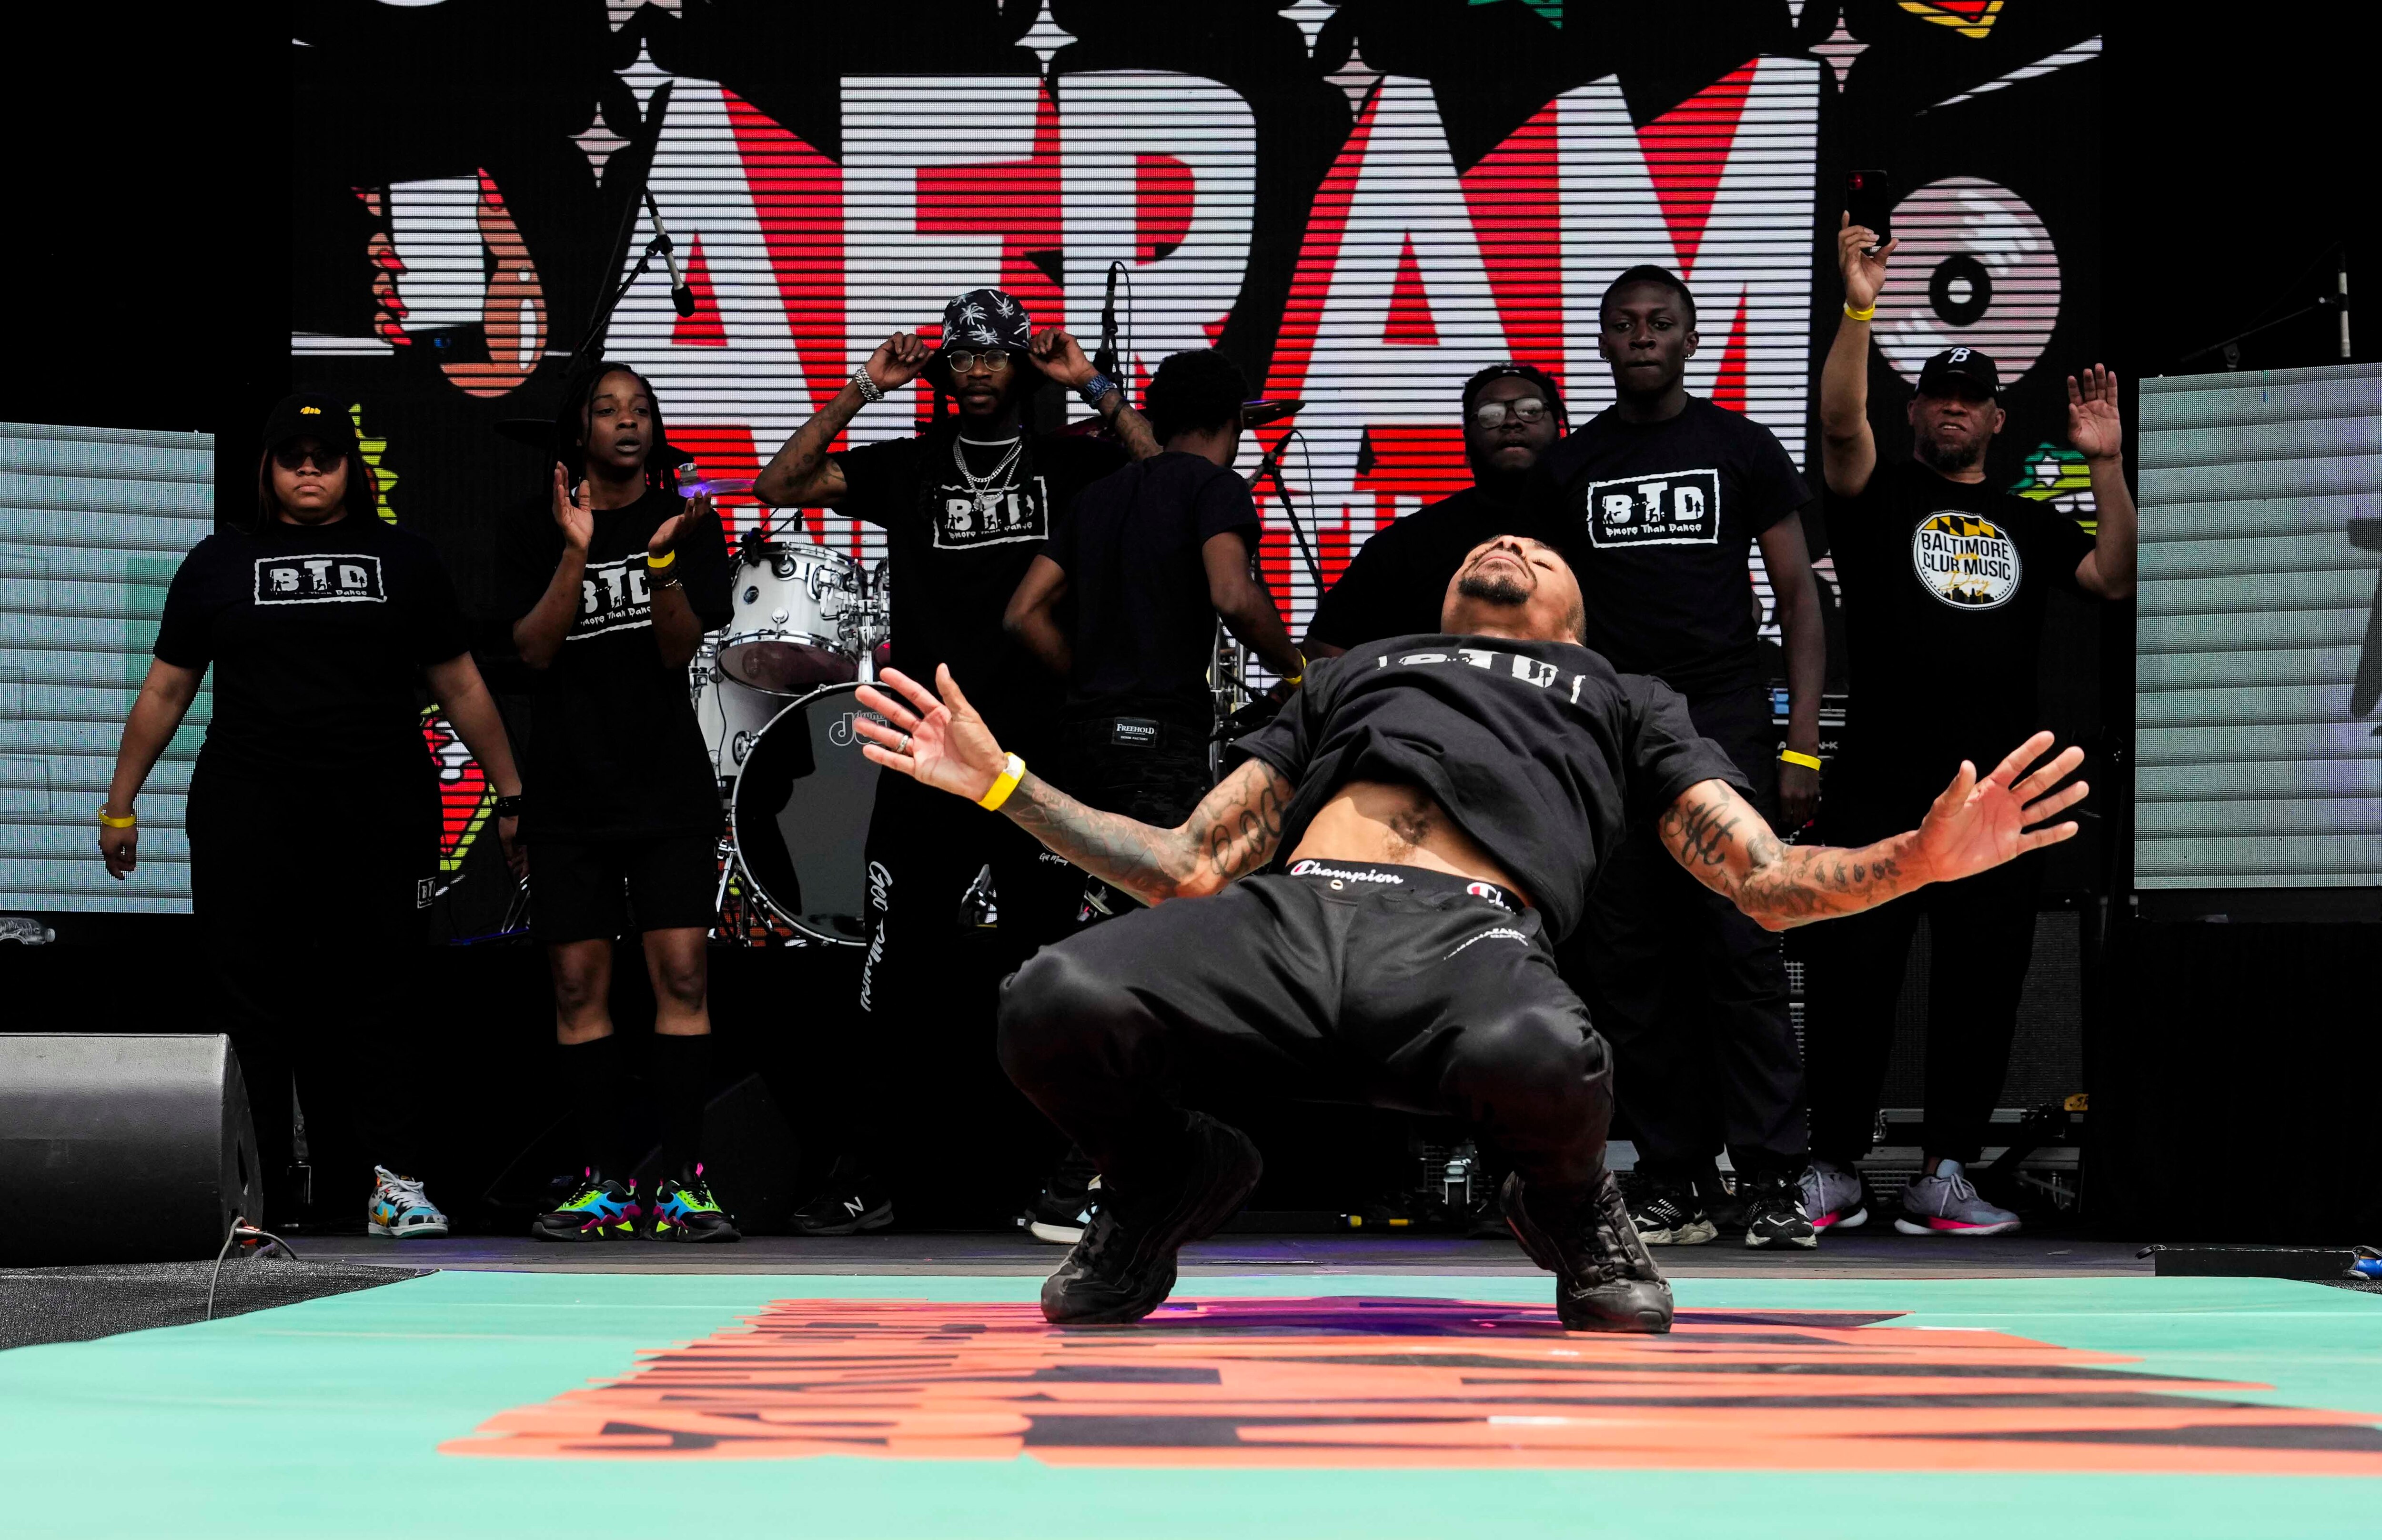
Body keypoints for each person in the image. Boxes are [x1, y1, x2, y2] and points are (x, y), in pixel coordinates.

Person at [847, 534, 2088, 1332]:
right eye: (1493, 546)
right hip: (1287, 920)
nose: (1509, 546)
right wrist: (1006, 783)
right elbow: (1187, 861)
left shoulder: (1620, 696)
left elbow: (1758, 877)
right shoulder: (1357, 670)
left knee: (1557, 1061)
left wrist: (1923, 860)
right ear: (1443, 597)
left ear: (1578, 616)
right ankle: (1164, 1174)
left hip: (1463, 939)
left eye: (1541, 554)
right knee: (1048, 999)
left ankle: (1564, 1207)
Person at [754, 287, 1161, 1232]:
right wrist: (864, 384)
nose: (978, 371)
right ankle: (867, 1173)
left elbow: (1171, 484)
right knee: (897, 969)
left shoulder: (1071, 460)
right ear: (942, 369)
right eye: (963, 357)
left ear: (1022, 365)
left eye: (995, 356)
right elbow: (779, 485)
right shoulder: (909, 464)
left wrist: (1094, 385)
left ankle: (1068, 1175)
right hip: (924, 745)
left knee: (1051, 963)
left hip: (1037, 751)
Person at [99, 392, 525, 1239]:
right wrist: (120, 803)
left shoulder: (404, 559)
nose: (307, 467)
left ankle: (396, 1183)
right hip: (249, 809)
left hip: (381, 807)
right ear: (266, 468)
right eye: (291, 454)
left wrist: (513, 793)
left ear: (350, 469)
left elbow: (462, 682)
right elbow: (167, 687)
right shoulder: (219, 561)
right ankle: (251, 1197)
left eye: (324, 455)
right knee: (254, 1004)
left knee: (386, 996)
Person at [1799, 214, 2137, 1238]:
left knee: (1982, 979)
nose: (1952, 409)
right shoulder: (1877, 495)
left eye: (1970, 398)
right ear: (1916, 412)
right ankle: (1834, 1166)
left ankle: (1945, 1171)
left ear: (1996, 420)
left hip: (1998, 788)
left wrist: (2107, 464)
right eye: (1937, 396)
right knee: (1854, 970)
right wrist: (1859, 307)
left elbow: (2114, 575)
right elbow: (1839, 426)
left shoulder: (2031, 520)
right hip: (1878, 776)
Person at [1534, 265, 1829, 1250]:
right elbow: (1545, 622)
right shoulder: (1571, 465)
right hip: (1613, 738)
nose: (1642, 337)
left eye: (1659, 321)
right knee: (1632, 964)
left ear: (1690, 336)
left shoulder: (1740, 447)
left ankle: (1777, 1177)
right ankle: (1673, 1177)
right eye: (1623, 324)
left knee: (1741, 951)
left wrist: (1799, 742)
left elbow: (1796, 597)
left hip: (1725, 732)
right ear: (1604, 343)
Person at [1001, 347, 1304, 1242]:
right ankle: (1093, 1179)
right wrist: (1295, 675)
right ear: (1236, 423)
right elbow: (1233, 595)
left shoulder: (1100, 497)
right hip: (1160, 746)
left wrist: (1094, 683)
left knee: (1089, 945)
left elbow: (1022, 614)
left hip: (1085, 743)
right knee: (1145, 959)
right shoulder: (1216, 492)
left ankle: (1091, 1169)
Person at [502, 362, 742, 1244]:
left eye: (642, 408)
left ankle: (685, 1182)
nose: (628, 422)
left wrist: (665, 561)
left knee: (681, 975)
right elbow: (531, 650)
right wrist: (577, 547)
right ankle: (604, 1183)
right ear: (580, 432)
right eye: (607, 410)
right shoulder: (533, 528)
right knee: (577, 983)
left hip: (665, 786)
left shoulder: (686, 524)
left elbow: (679, 650)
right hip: (568, 790)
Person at [1302, 363, 1572, 658]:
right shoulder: (1407, 545)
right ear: (1466, 442)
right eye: (1490, 415)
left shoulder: (1600, 529)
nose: (1511, 421)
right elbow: (1324, 649)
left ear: (1561, 429)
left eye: (1530, 410)